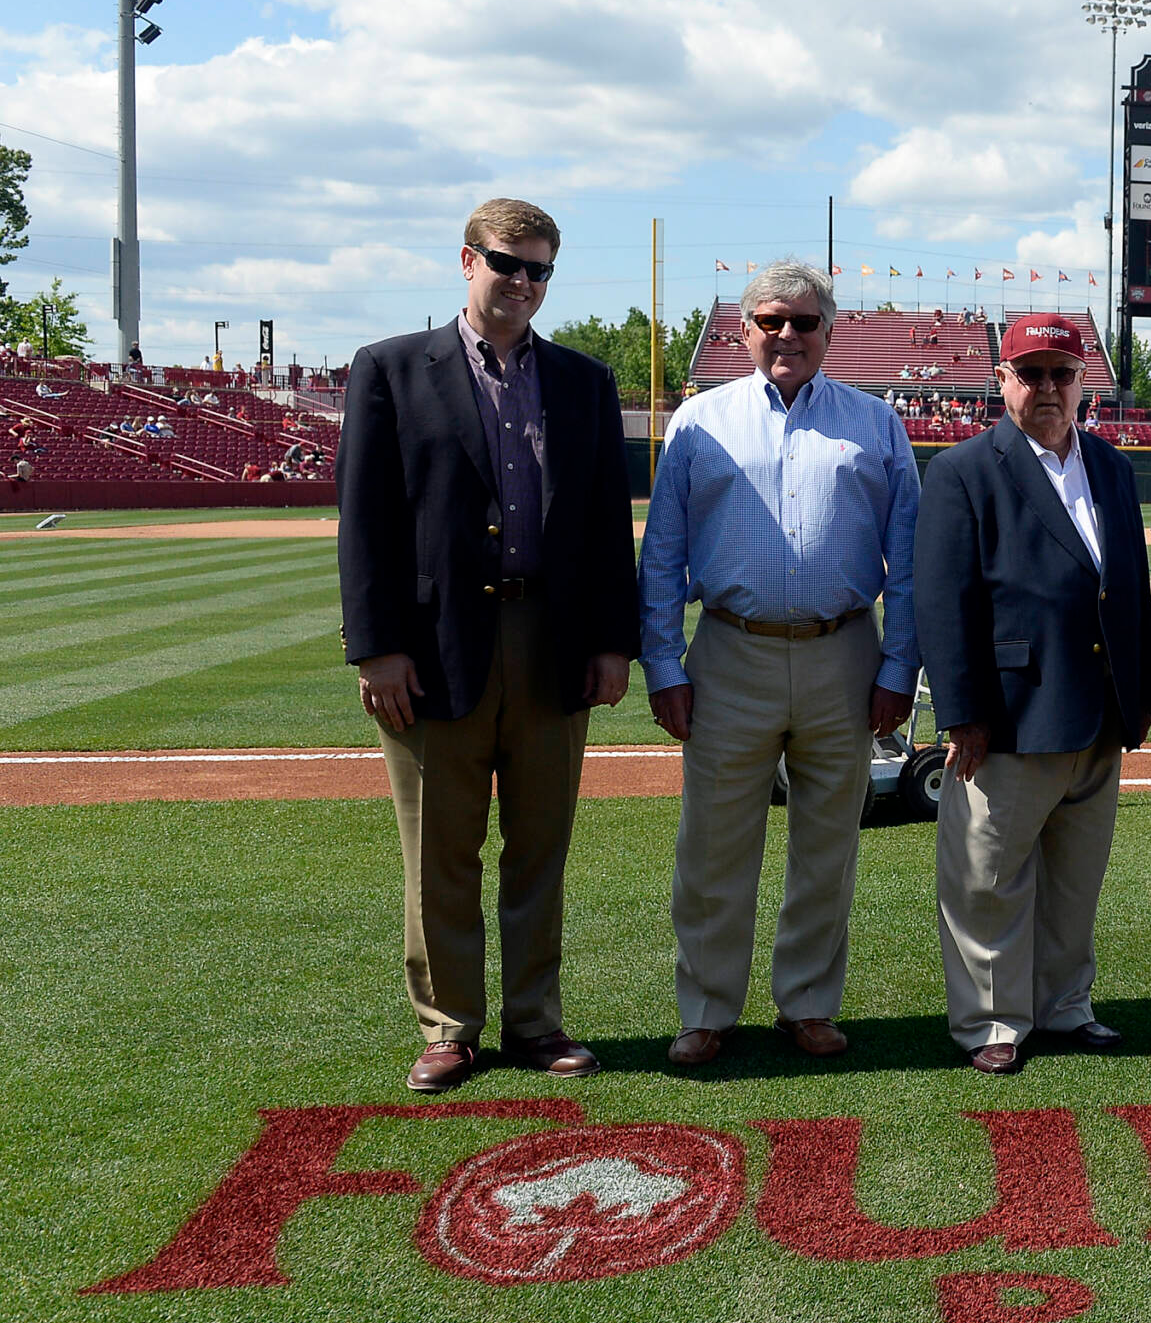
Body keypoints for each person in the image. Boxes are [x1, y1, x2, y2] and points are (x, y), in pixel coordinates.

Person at [337, 197, 639, 1093]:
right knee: (440, 847)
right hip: (434, 645)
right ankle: (448, 1026)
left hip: (550, 637)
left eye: (540, 268)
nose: (523, 282)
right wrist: (376, 647)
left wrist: (612, 643)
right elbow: (367, 520)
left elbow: (601, 526)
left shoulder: (582, 380)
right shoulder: (391, 368)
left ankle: (536, 1021)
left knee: (540, 845)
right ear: (466, 261)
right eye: (508, 262)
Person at [640, 259, 920, 1068]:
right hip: (731, 649)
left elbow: (906, 557)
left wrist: (901, 663)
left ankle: (807, 1002)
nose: (787, 335)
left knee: (828, 847)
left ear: (831, 332)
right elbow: (662, 554)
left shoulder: (876, 422)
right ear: (743, 330)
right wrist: (663, 662)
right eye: (771, 320)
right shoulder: (700, 421)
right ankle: (706, 1008)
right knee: (713, 847)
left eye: (804, 322)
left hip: (845, 650)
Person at [914, 313, 1151, 1075]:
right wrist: (963, 713)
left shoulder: (1112, 467)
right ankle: (992, 1019)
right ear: (1002, 381)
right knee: (988, 877)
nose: (1047, 387)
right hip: (1011, 713)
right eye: (1031, 372)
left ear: (1083, 382)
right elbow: (942, 602)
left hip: (1098, 706)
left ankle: (1063, 1004)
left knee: (1074, 879)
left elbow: (1122, 591)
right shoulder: (963, 470)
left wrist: (1140, 689)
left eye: (1061, 372)